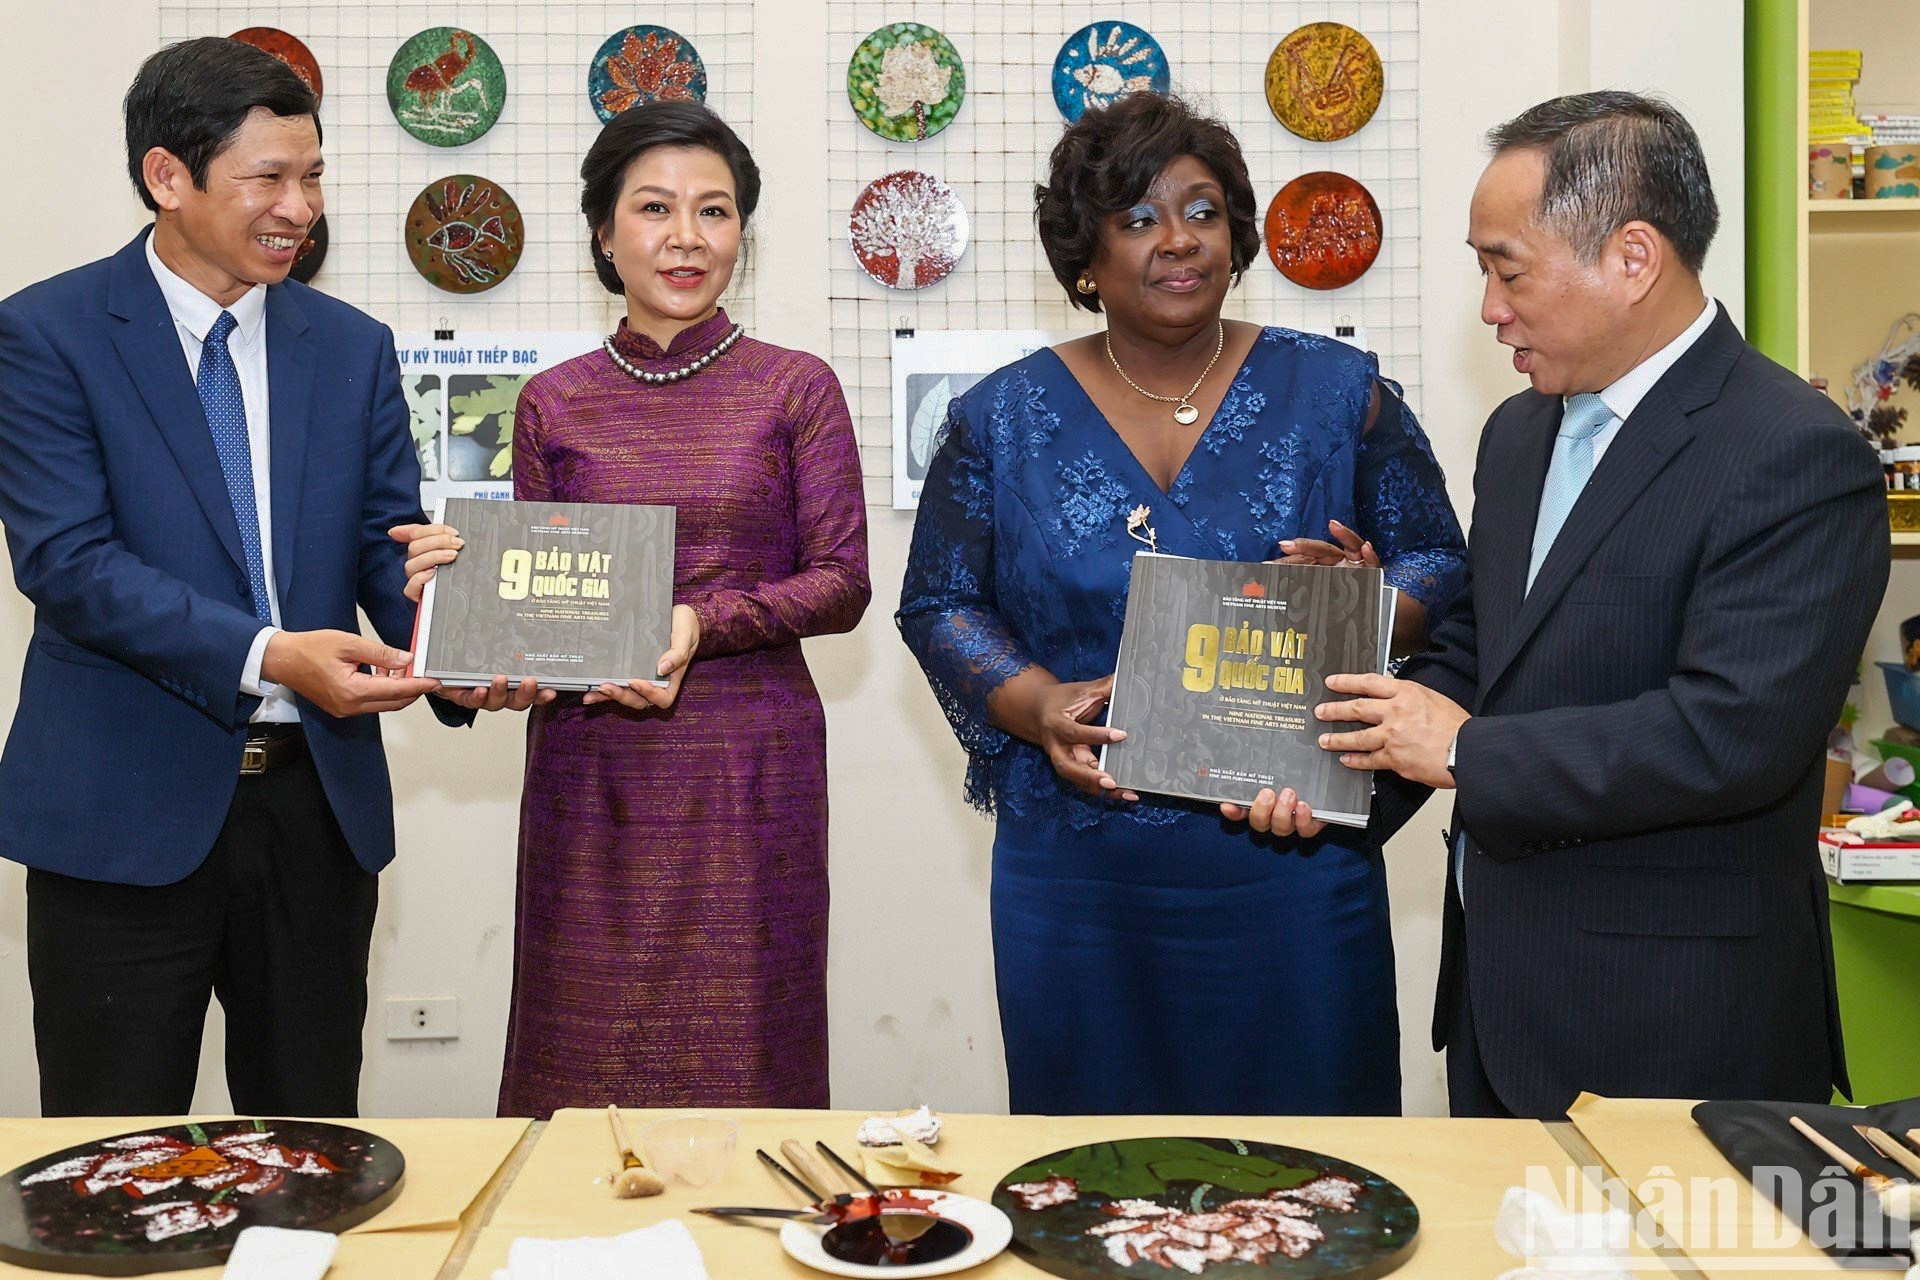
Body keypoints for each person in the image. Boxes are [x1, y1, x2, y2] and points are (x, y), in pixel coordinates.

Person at [1300, 92, 1890, 1119]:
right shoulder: (1519, 435)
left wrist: (1469, 752)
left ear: (1632, 257)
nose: (1488, 307)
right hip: (1498, 1012)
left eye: (1506, 268)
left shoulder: (1794, 450)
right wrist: (1324, 774)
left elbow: (1731, 732)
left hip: (1677, 1028)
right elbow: (1481, 654)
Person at [896, 93, 1467, 1116]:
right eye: (1138, 217)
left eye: (1202, 212)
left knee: (1312, 1176)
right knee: (1094, 1179)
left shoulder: (1341, 393)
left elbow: (1439, 559)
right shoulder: (1002, 418)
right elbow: (940, 601)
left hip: (1288, 850)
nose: (1179, 241)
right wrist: (1037, 707)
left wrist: (1373, 603)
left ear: (1238, 234)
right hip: (1080, 873)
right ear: (1086, 253)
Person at [0, 38, 479, 1117]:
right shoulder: (46, 334)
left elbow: (378, 541)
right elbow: (67, 563)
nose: (298, 208)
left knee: (313, 1150)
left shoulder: (350, 345)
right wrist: (271, 654)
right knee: (114, 1166)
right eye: (267, 178)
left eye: (311, 177)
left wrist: (459, 639)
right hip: (120, 815)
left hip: (318, 816)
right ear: (167, 177)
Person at [398, 102, 870, 1117]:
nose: (686, 236)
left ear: (743, 231)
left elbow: (842, 579)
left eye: (715, 210)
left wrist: (705, 620)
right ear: (605, 234)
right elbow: (541, 601)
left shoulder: (798, 388)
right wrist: (470, 617)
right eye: (654, 208)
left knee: (748, 1043)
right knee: (582, 1048)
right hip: (593, 768)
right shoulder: (553, 401)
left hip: (751, 766)